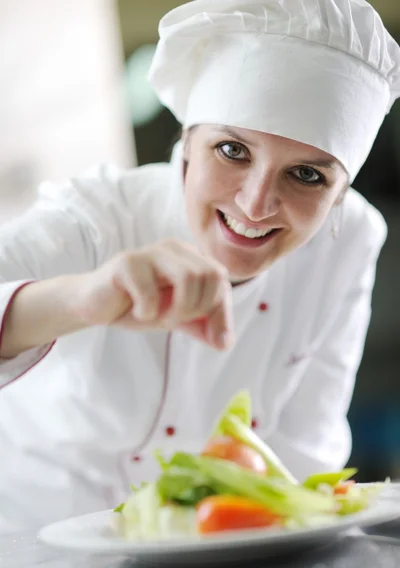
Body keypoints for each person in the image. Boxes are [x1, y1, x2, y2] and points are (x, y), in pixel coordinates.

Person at [0, 0, 399, 533]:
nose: (256, 204)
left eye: (306, 175)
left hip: (219, 555)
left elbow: (305, 451)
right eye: (232, 149)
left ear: (341, 193)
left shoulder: (351, 239)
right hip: (36, 554)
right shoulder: (97, 218)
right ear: (185, 142)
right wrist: (81, 298)